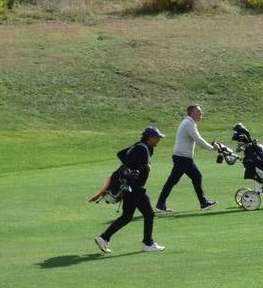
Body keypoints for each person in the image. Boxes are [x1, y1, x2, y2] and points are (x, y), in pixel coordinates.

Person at [94, 126, 166, 254]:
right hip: (135, 188)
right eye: (157, 137)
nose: (159, 140)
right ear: (150, 137)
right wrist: (144, 166)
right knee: (149, 213)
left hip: (128, 188)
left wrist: (133, 166)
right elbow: (135, 167)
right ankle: (148, 243)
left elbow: (121, 154)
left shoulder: (140, 146)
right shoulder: (142, 148)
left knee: (127, 216)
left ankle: (104, 238)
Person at [156, 104, 219, 213]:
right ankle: (160, 204)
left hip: (184, 158)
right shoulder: (188, 123)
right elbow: (198, 140)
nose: (201, 113)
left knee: (195, 177)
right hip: (182, 158)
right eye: (198, 111)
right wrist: (212, 148)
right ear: (192, 113)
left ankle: (203, 203)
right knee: (173, 180)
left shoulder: (190, 123)